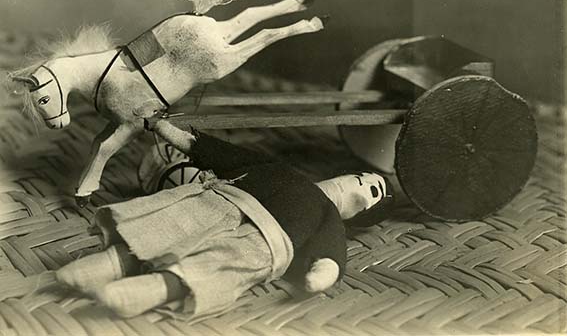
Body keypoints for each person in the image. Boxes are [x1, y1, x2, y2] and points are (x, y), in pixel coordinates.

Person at [56, 117, 395, 318]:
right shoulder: (284, 170)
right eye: (364, 177)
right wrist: (168, 130)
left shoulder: (328, 218)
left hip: (266, 239)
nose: (363, 184)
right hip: (223, 199)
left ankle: (157, 289)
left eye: (373, 192)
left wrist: (322, 275)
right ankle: (112, 263)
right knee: (171, 224)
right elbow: (228, 155)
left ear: (362, 214)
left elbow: (332, 256)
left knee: (222, 262)